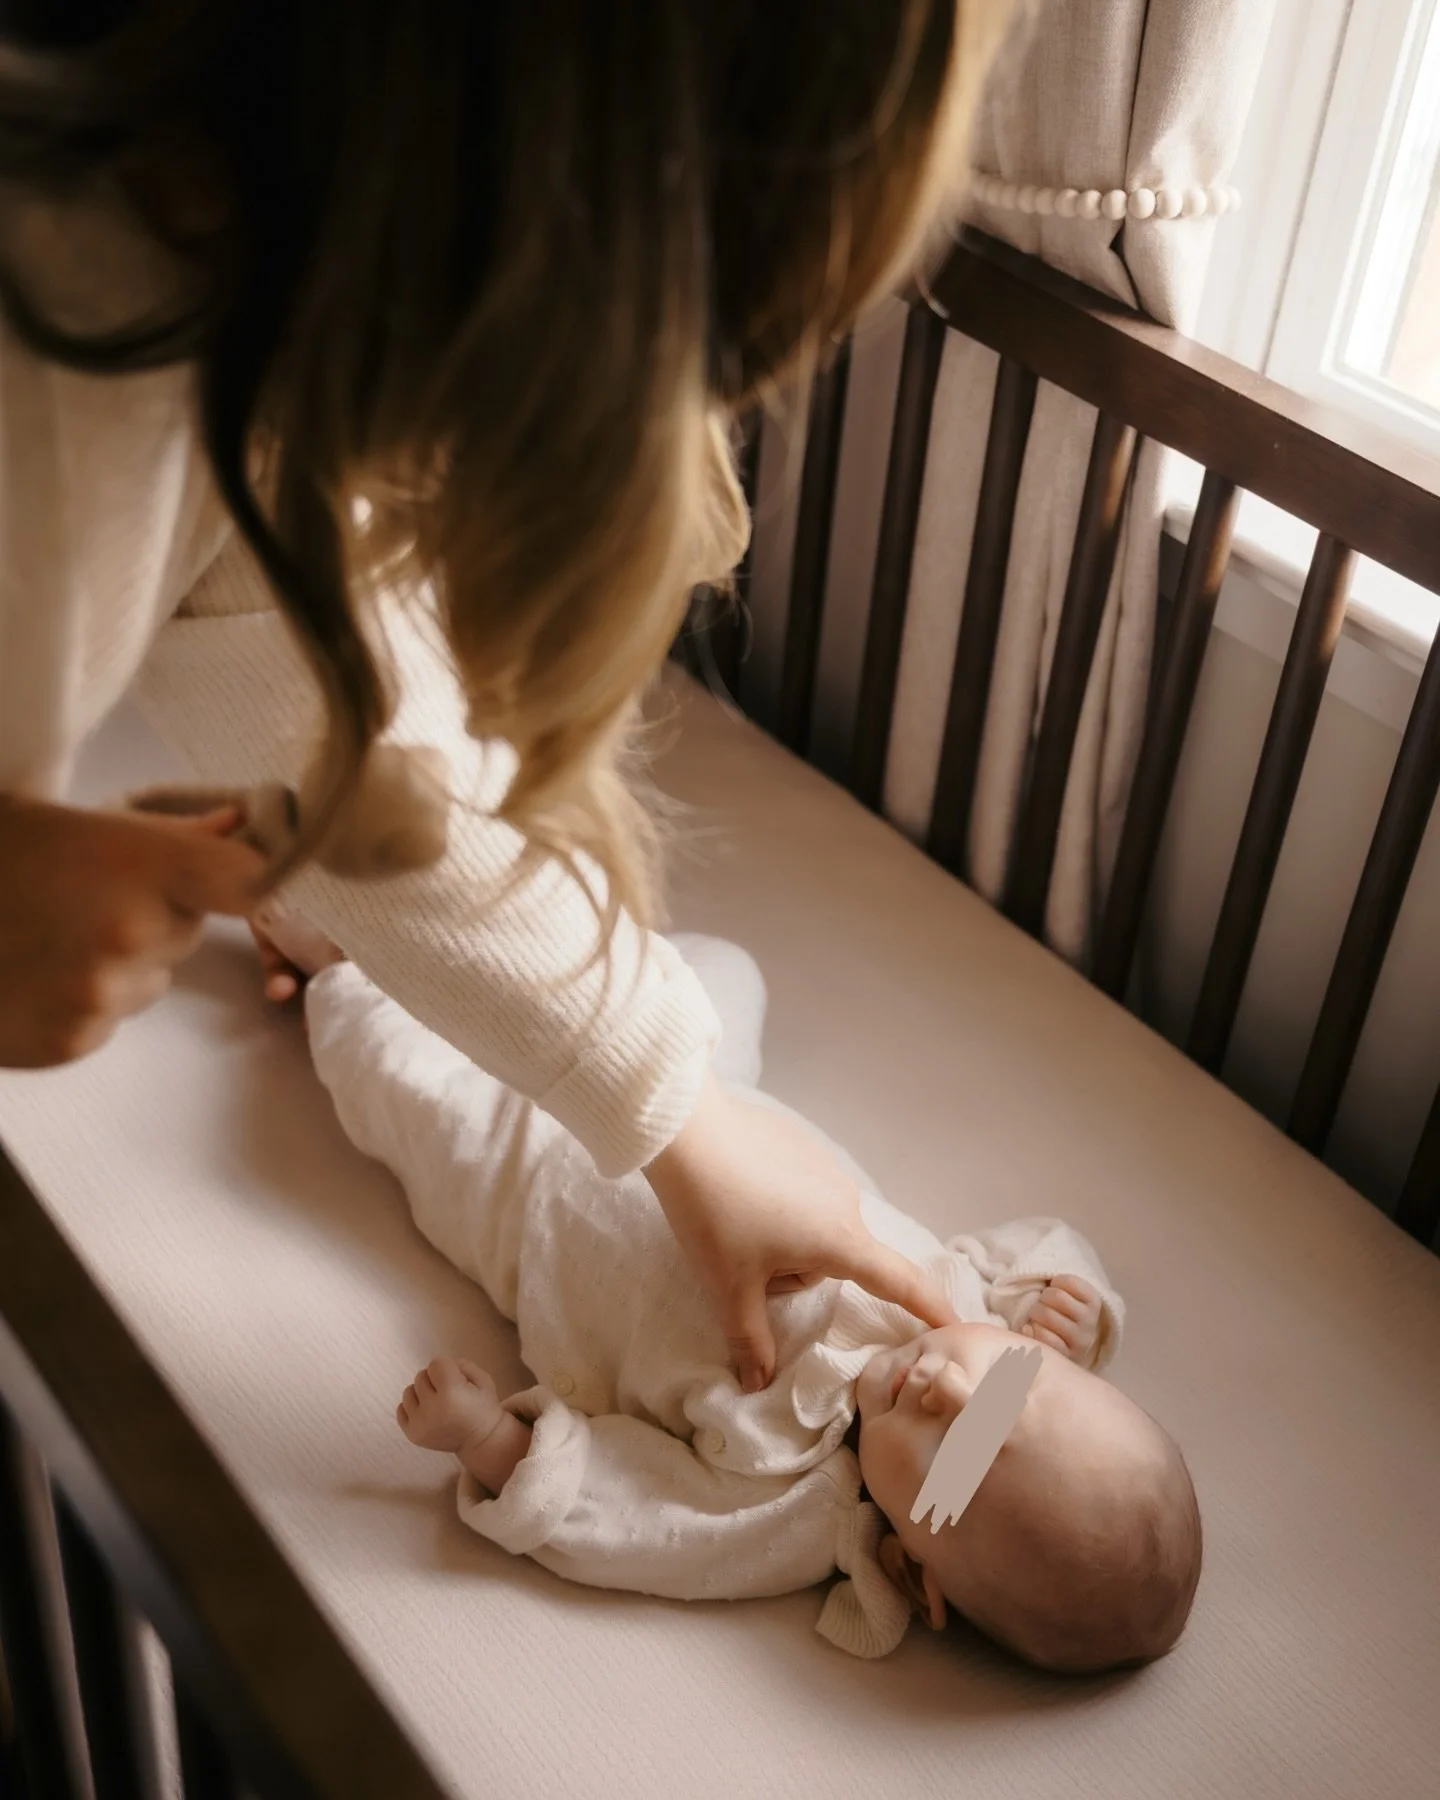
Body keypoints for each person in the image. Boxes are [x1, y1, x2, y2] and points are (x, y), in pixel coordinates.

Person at [0, 1, 1019, 1389]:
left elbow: (375, 747)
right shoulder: (64, 332)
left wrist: (680, 1113)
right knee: (378, 1047)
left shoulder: (257, 309)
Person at [274, 912, 1201, 1672]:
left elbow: (634, 1512)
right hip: (692, 1106)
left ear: (916, 1572)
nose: (946, 1391)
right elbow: (1033, 1247)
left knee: (399, 1082)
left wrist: (491, 1442)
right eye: (1009, 1390)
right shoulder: (967, 1304)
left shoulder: (787, 1512)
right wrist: (1069, 1293)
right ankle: (529, 936)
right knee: (719, 970)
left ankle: (335, 962)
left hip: (525, 1198)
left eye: (957, 1462)